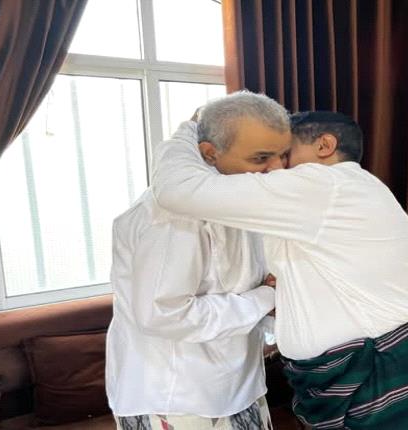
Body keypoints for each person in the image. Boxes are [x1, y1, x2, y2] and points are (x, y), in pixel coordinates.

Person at [151, 94, 408, 429]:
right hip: (400, 363)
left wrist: (190, 130)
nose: (275, 167)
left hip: (381, 372)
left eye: (285, 154)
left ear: (324, 146)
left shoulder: (322, 185)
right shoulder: (357, 189)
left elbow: (177, 190)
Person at [106, 92, 292, 429]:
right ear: (209, 153)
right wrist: (265, 297)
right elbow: (163, 313)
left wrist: (272, 306)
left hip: (239, 385)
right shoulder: (171, 218)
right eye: (261, 157)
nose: (277, 169)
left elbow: (242, 286)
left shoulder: (236, 199)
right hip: (179, 398)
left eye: (283, 155)